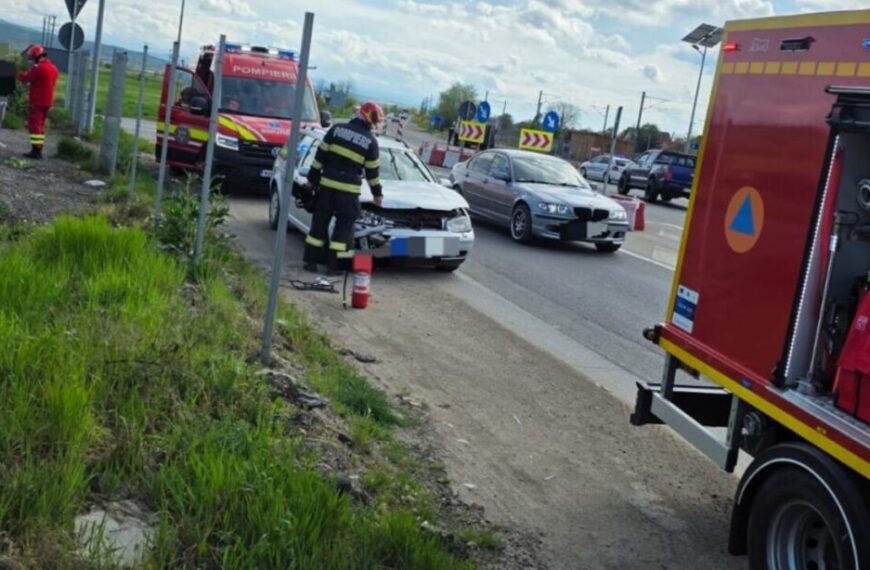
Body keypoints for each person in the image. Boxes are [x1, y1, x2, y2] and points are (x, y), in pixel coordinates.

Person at [303, 101, 385, 273]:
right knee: (342, 231)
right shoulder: (371, 142)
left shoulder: (336, 129)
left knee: (319, 225)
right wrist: (377, 195)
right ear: (371, 120)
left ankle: (311, 262)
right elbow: (372, 174)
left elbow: (319, 158)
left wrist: (311, 180)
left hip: (326, 188)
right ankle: (334, 267)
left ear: (359, 114)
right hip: (348, 194)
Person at [16, 44, 59, 160]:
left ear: (37, 57)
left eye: (32, 58)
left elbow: (26, 78)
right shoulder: (53, 68)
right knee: (40, 126)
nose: (31, 61)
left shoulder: (38, 68)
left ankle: (36, 151)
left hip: (37, 101)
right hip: (48, 102)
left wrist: (15, 72)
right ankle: (38, 148)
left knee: (35, 126)